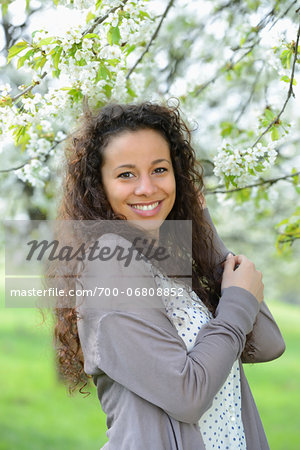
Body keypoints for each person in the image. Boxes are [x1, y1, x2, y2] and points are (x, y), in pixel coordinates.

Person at [54, 102, 285, 450]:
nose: (147, 188)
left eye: (159, 169)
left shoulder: (165, 264)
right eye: (126, 174)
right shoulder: (111, 260)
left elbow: (268, 343)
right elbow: (187, 394)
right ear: (98, 187)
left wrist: (202, 226)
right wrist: (238, 301)